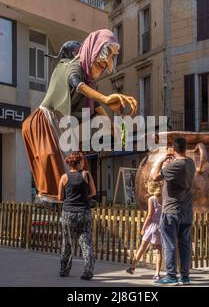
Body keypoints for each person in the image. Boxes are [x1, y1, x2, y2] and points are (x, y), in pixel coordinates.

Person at [22, 29, 137, 203]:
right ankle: (53, 198)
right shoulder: (69, 66)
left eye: (105, 64)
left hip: (63, 123)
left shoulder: (91, 83)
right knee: (53, 158)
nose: (104, 67)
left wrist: (116, 131)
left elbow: (97, 108)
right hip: (46, 120)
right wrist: (106, 98)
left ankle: (79, 198)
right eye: (101, 62)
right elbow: (77, 84)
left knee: (76, 160)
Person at [152, 137, 196, 286]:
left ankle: (171, 276)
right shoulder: (191, 163)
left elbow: (154, 177)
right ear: (185, 148)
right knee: (184, 244)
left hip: (171, 210)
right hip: (187, 211)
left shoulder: (174, 166)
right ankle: (185, 277)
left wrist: (161, 160)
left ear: (173, 148)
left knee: (169, 244)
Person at [58, 152, 96, 280]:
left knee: (67, 243)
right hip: (83, 212)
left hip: (68, 212)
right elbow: (93, 192)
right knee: (86, 242)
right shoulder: (86, 174)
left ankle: (64, 270)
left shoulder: (63, 177)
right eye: (82, 161)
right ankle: (87, 272)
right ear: (79, 162)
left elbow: (60, 197)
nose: (84, 163)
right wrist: (84, 198)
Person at [126, 181, 163, 280]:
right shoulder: (164, 198)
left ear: (151, 189)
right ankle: (157, 273)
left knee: (142, 247)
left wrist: (144, 227)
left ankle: (132, 267)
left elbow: (150, 215)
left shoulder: (152, 199)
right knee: (159, 250)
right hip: (162, 227)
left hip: (152, 227)